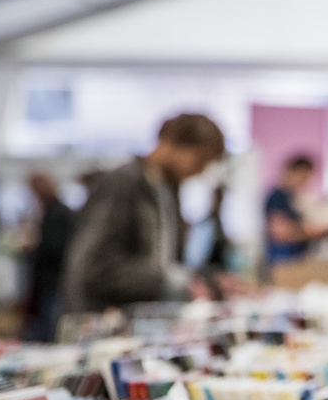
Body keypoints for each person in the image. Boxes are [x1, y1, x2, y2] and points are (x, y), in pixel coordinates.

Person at [61, 113, 231, 314]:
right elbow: (94, 268)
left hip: (144, 321)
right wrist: (168, 282)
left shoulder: (167, 192)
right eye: (200, 159)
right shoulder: (122, 185)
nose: (200, 171)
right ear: (170, 142)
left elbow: (166, 264)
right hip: (103, 320)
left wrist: (204, 280)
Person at [22, 172, 75, 341]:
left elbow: (56, 247)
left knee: (50, 328)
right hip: (52, 280)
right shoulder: (53, 210)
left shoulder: (57, 212)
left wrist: (34, 246)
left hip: (54, 279)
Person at [264, 155, 323, 268]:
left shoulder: (290, 196)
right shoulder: (278, 196)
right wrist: (312, 231)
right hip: (284, 261)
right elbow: (280, 231)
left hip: (293, 258)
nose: (305, 182)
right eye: (304, 177)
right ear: (292, 172)